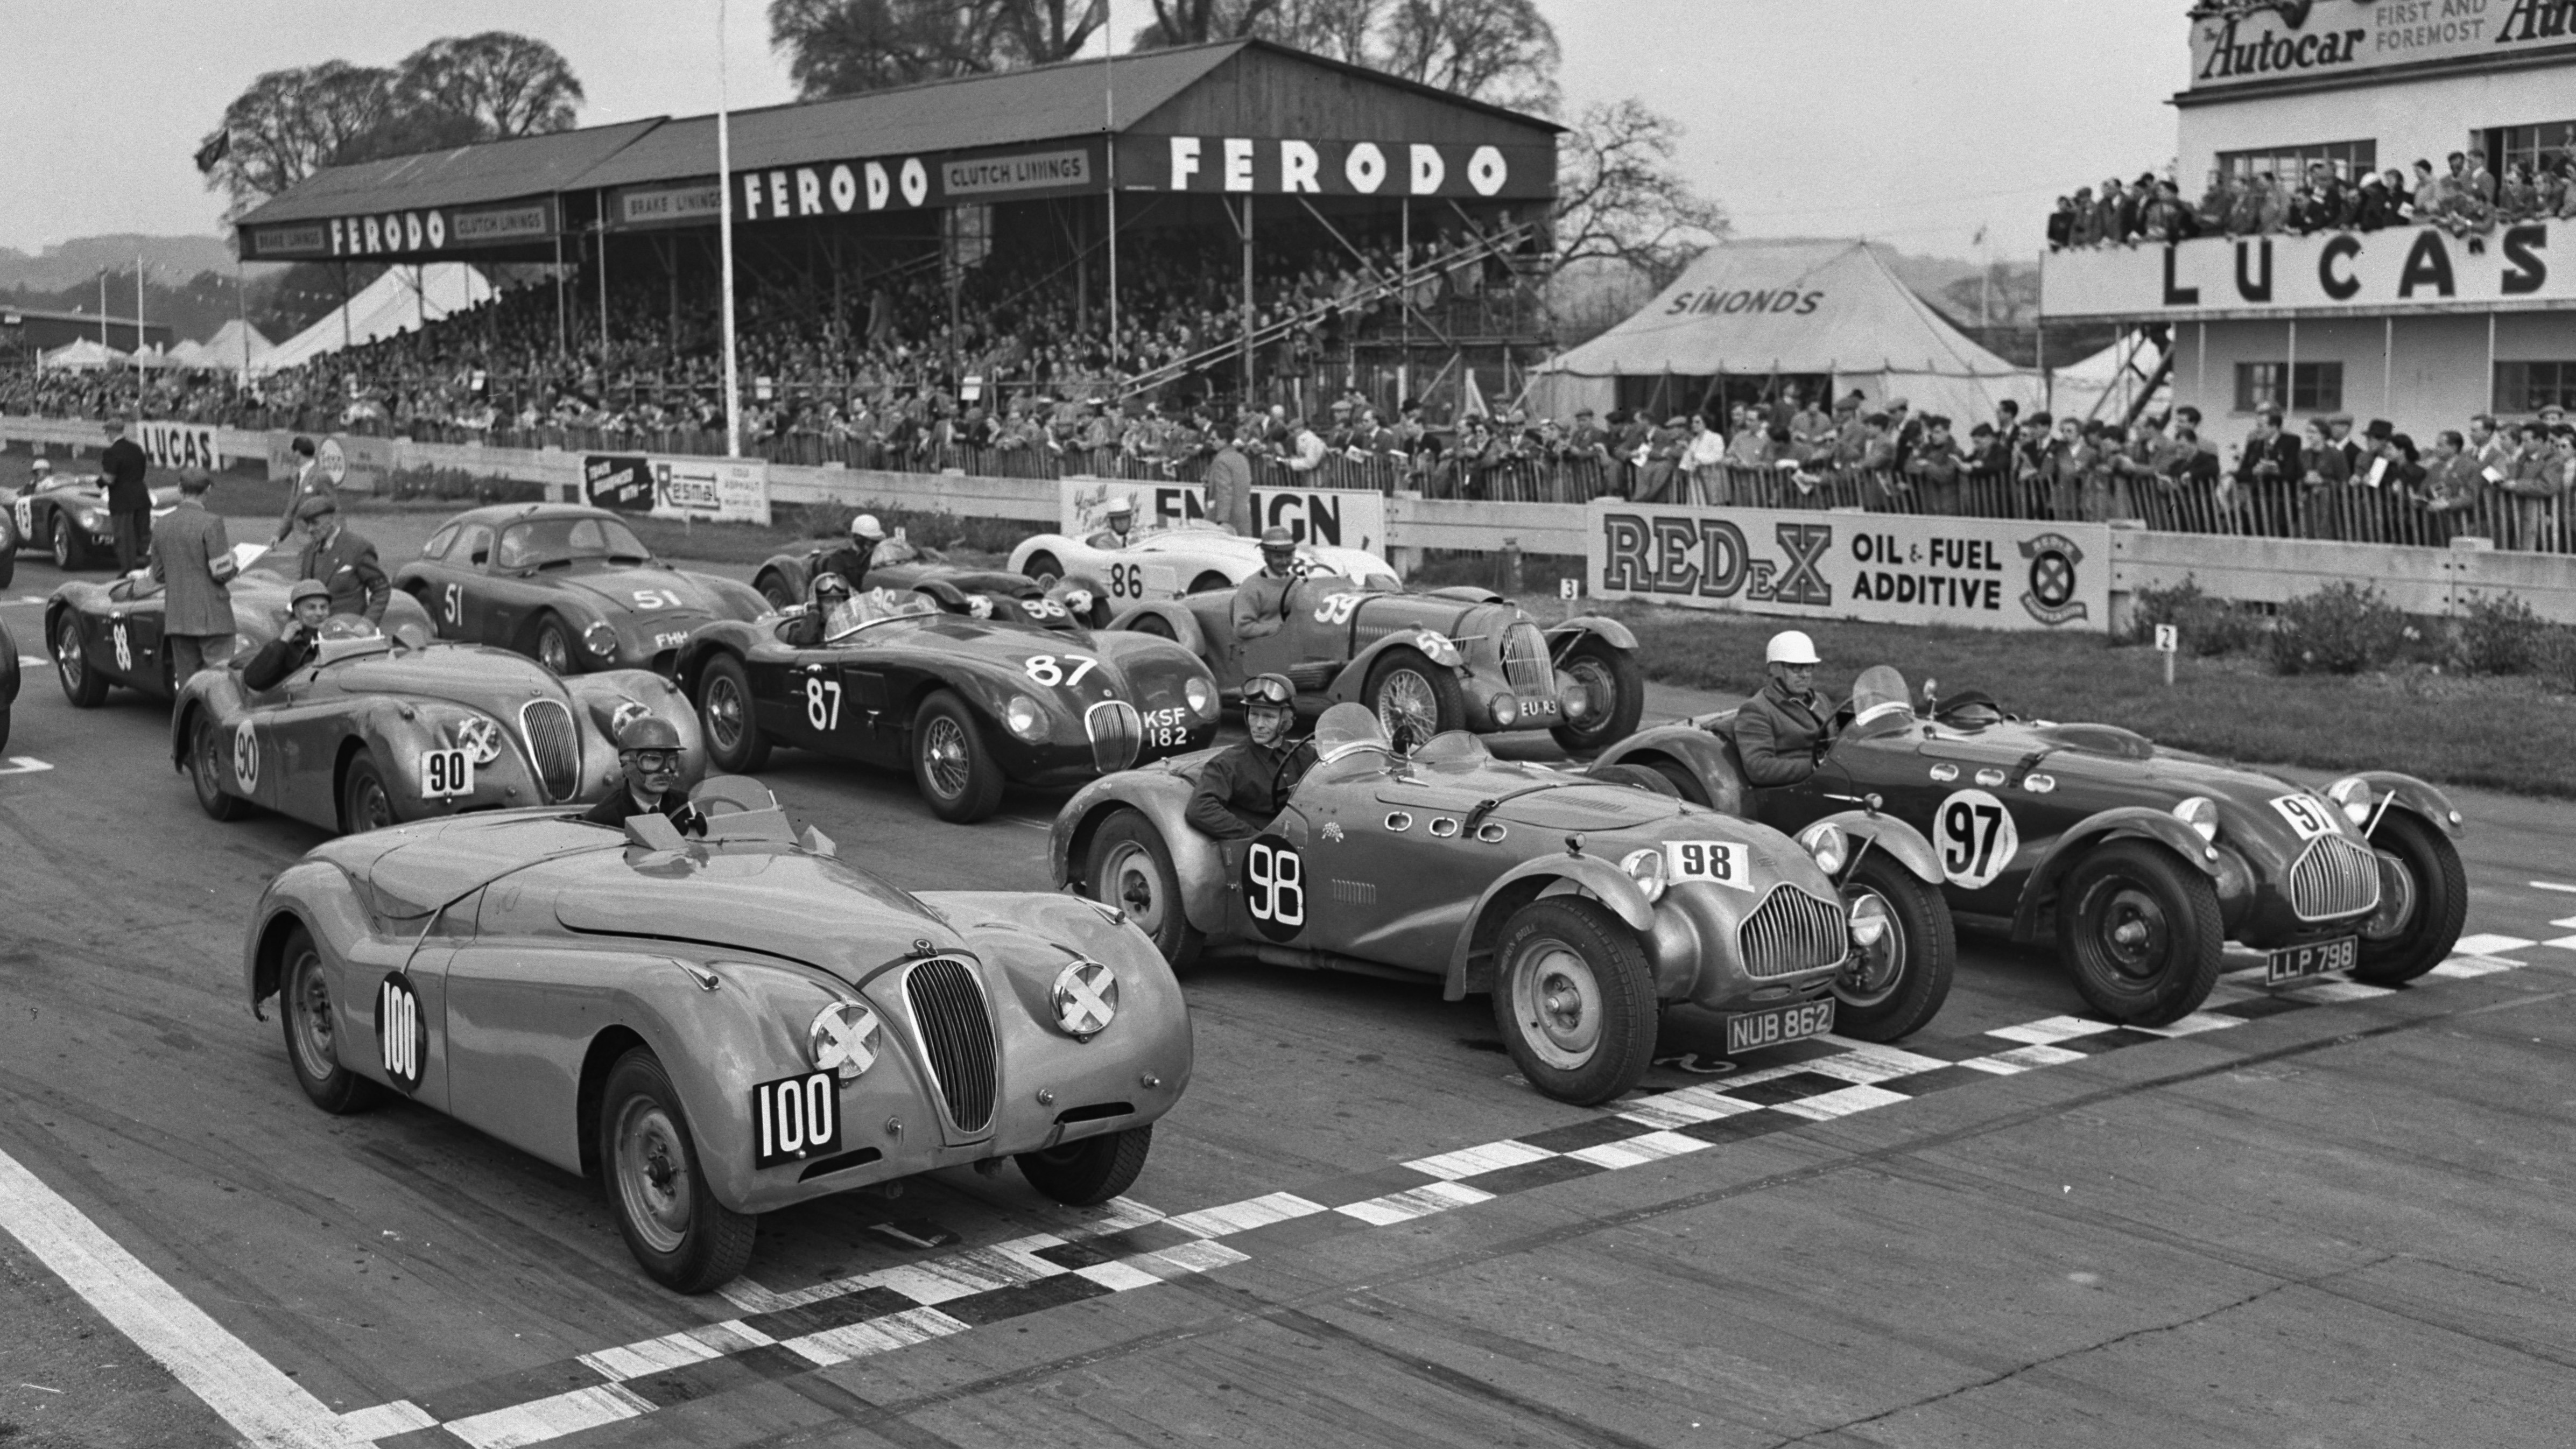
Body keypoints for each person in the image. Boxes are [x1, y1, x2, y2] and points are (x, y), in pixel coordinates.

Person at [1184, 672, 1313, 840]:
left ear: (1285, 721)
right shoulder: (1228, 763)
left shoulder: (1305, 754)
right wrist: (1254, 838)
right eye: (1254, 714)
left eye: (1269, 717)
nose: (1259, 725)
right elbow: (1200, 809)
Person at [148, 468, 238, 686]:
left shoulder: (161, 524)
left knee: (189, 685)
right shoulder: (212, 523)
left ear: (180, 489)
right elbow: (221, 573)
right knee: (219, 683)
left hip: (178, 617)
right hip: (213, 618)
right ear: (208, 490)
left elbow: (158, 575)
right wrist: (234, 562)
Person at [1733, 631, 1838, 788]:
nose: (1805, 675)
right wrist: (1817, 765)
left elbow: (1836, 741)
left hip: (1830, 778)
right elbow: (1759, 769)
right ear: (1775, 669)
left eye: (1809, 667)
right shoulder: (1757, 710)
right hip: (1795, 789)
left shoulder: (1821, 700)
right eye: (1796, 669)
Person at [581, 715, 706, 835]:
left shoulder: (690, 807)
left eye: (672, 760)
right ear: (627, 764)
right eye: (653, 760)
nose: (666, 770)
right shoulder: (602, 820)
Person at [288, 494, 390, 624]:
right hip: (314, 632)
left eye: (315, 523)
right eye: (308, 524)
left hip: (348, 632)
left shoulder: (358, 548)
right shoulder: (309, 552)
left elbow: (382, 590)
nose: (310, 529)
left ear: (331, 519)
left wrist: (366, 624)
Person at [241, 580, 332, 692]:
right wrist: (283, 641)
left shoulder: (336, 634)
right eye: (311, 608)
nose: (319, 613)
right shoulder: (288, 644)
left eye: (324, 607)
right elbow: (254, 680)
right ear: (297, 612)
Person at [1231, 526, 1303, 641]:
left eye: (1289, 556)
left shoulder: (1298, 584)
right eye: (1278, 557)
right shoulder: (1251, 586)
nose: (1285, 562)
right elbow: (1242, 628)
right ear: (1266, 556)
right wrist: (1281, 629)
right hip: (1265, 650)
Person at [100, 420, 150, 572]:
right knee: (144, 537)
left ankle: (129, 572)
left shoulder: (111, 452)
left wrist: (98, 483)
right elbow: (141, 472)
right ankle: (150, 570)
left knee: (125, 540)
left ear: (110, 431)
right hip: (142, 497)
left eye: (106, 432)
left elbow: (110, 478)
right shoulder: (137, 449)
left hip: (123, 502)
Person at [274, 436, 332, 544]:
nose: (290, 455)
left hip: (316, 539)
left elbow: (333, 509)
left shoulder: (321, 477)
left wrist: (333, 542)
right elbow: (292, 509)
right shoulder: (298, 477)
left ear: (297, 453)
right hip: (302, 541)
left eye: (292, 452)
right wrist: (279, 535)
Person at [779, 571, 855, 648]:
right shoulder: (801, 628)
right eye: (829, 601)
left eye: (839, 601)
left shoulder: (854, 625)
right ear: (818, 604)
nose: (835, 607)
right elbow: (804, 640)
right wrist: (814, 613)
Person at [811, 512, 884, 590]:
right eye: (869, 540)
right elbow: (835, 586)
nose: (872, 544)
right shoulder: (839, 559)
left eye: (875, 541)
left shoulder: (877, 558)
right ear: (857, 537)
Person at [1202, 426, 1255, 534]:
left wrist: (1222, 520)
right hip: (1243, 515)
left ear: (1224, 440)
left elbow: (1224, 492)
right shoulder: (1242, 458)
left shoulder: (1221, 460)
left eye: (1214, 439)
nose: (1211, 442)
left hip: (1226, 518)